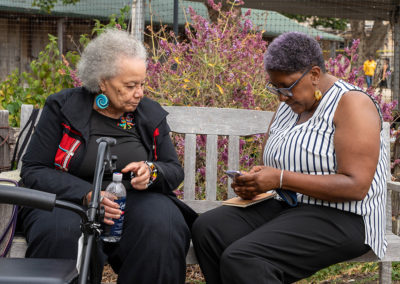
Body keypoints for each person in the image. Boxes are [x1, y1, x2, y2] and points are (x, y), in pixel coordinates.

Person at [192, 32, 387, 284]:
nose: (281, 97)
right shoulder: (289, 106)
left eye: (287, 87)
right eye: (275, 87)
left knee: (245, 258)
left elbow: (356, 186)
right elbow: (275, 166)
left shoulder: (351, 103)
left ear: (315, 74)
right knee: (209, 228)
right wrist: (255, 182)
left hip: (346, 217)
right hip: (289, 207)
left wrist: (280, 179)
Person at [20, 28, 197, 284]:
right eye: (129, 86)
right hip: (72, 201)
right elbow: (34, 169)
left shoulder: (149, 114)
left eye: (142, 84)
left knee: (163, 227)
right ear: (102, 81)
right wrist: (87, 193)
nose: (139, 93)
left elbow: (172, 169)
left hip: (135, 200)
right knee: (59, 232)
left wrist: (152, 171)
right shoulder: (63, 108)